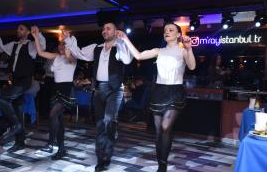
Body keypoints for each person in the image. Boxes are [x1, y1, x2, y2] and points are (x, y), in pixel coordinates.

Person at [119, 22, 196, 172]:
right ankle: (161, 164)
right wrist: (125, 38)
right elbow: (138, 55)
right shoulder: (158, 51)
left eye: (171, 30)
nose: (167, 32)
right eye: (165, 30)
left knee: (166, 127)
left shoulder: (183, 52)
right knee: (159, 132)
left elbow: (192, 66)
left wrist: (189, 48)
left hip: (175, 92)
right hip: (159, 92)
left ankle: (163, 166)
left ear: (178, 35)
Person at [64, 21, 132, 172]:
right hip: (99, 88)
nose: (105, 31)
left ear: (115, 32)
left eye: (108, 29)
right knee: (100, 125)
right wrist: (69, 40)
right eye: (103, 29)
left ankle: (107, 154)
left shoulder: (120, 47)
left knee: (108, 120)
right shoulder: (96, 48)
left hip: (115, 89)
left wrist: (122, 41)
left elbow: (127, 60)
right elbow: (79, 53)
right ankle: (101, 158)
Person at [0, 24, 46, 152]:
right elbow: (0, 46)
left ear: (27, 32)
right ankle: (19, 142)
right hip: (16, 81)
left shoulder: (32, 45)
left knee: (2, 99)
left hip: (25, 80)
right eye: (18, 29)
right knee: (17, 110)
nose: (18, 31)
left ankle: (15, 124)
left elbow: (42, 46)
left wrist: (37, 34)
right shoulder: (13, 45)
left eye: (21, 29)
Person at [32, 28, 76, 160]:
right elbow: (40, 52)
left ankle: (51, 143)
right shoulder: (56, 56)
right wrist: (35, 36)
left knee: (52, 115)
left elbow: (68, 56)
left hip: (66, 90)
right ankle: (61, 148)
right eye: (60, 44)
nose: (61, 46)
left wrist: (67, 42)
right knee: (59, 120)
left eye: (64, 44)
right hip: (55, 90)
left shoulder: (73, 58)